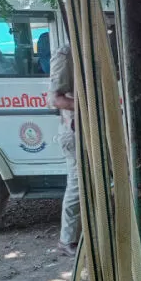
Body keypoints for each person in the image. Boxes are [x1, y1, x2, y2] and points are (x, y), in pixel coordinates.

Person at [49, 44, 80, 257]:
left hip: (92, 131)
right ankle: (66, 240)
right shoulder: (67, 53)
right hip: (76, 132)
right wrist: (90, 104)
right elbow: (55, 99)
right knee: (78, 185)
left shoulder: (94, 50)